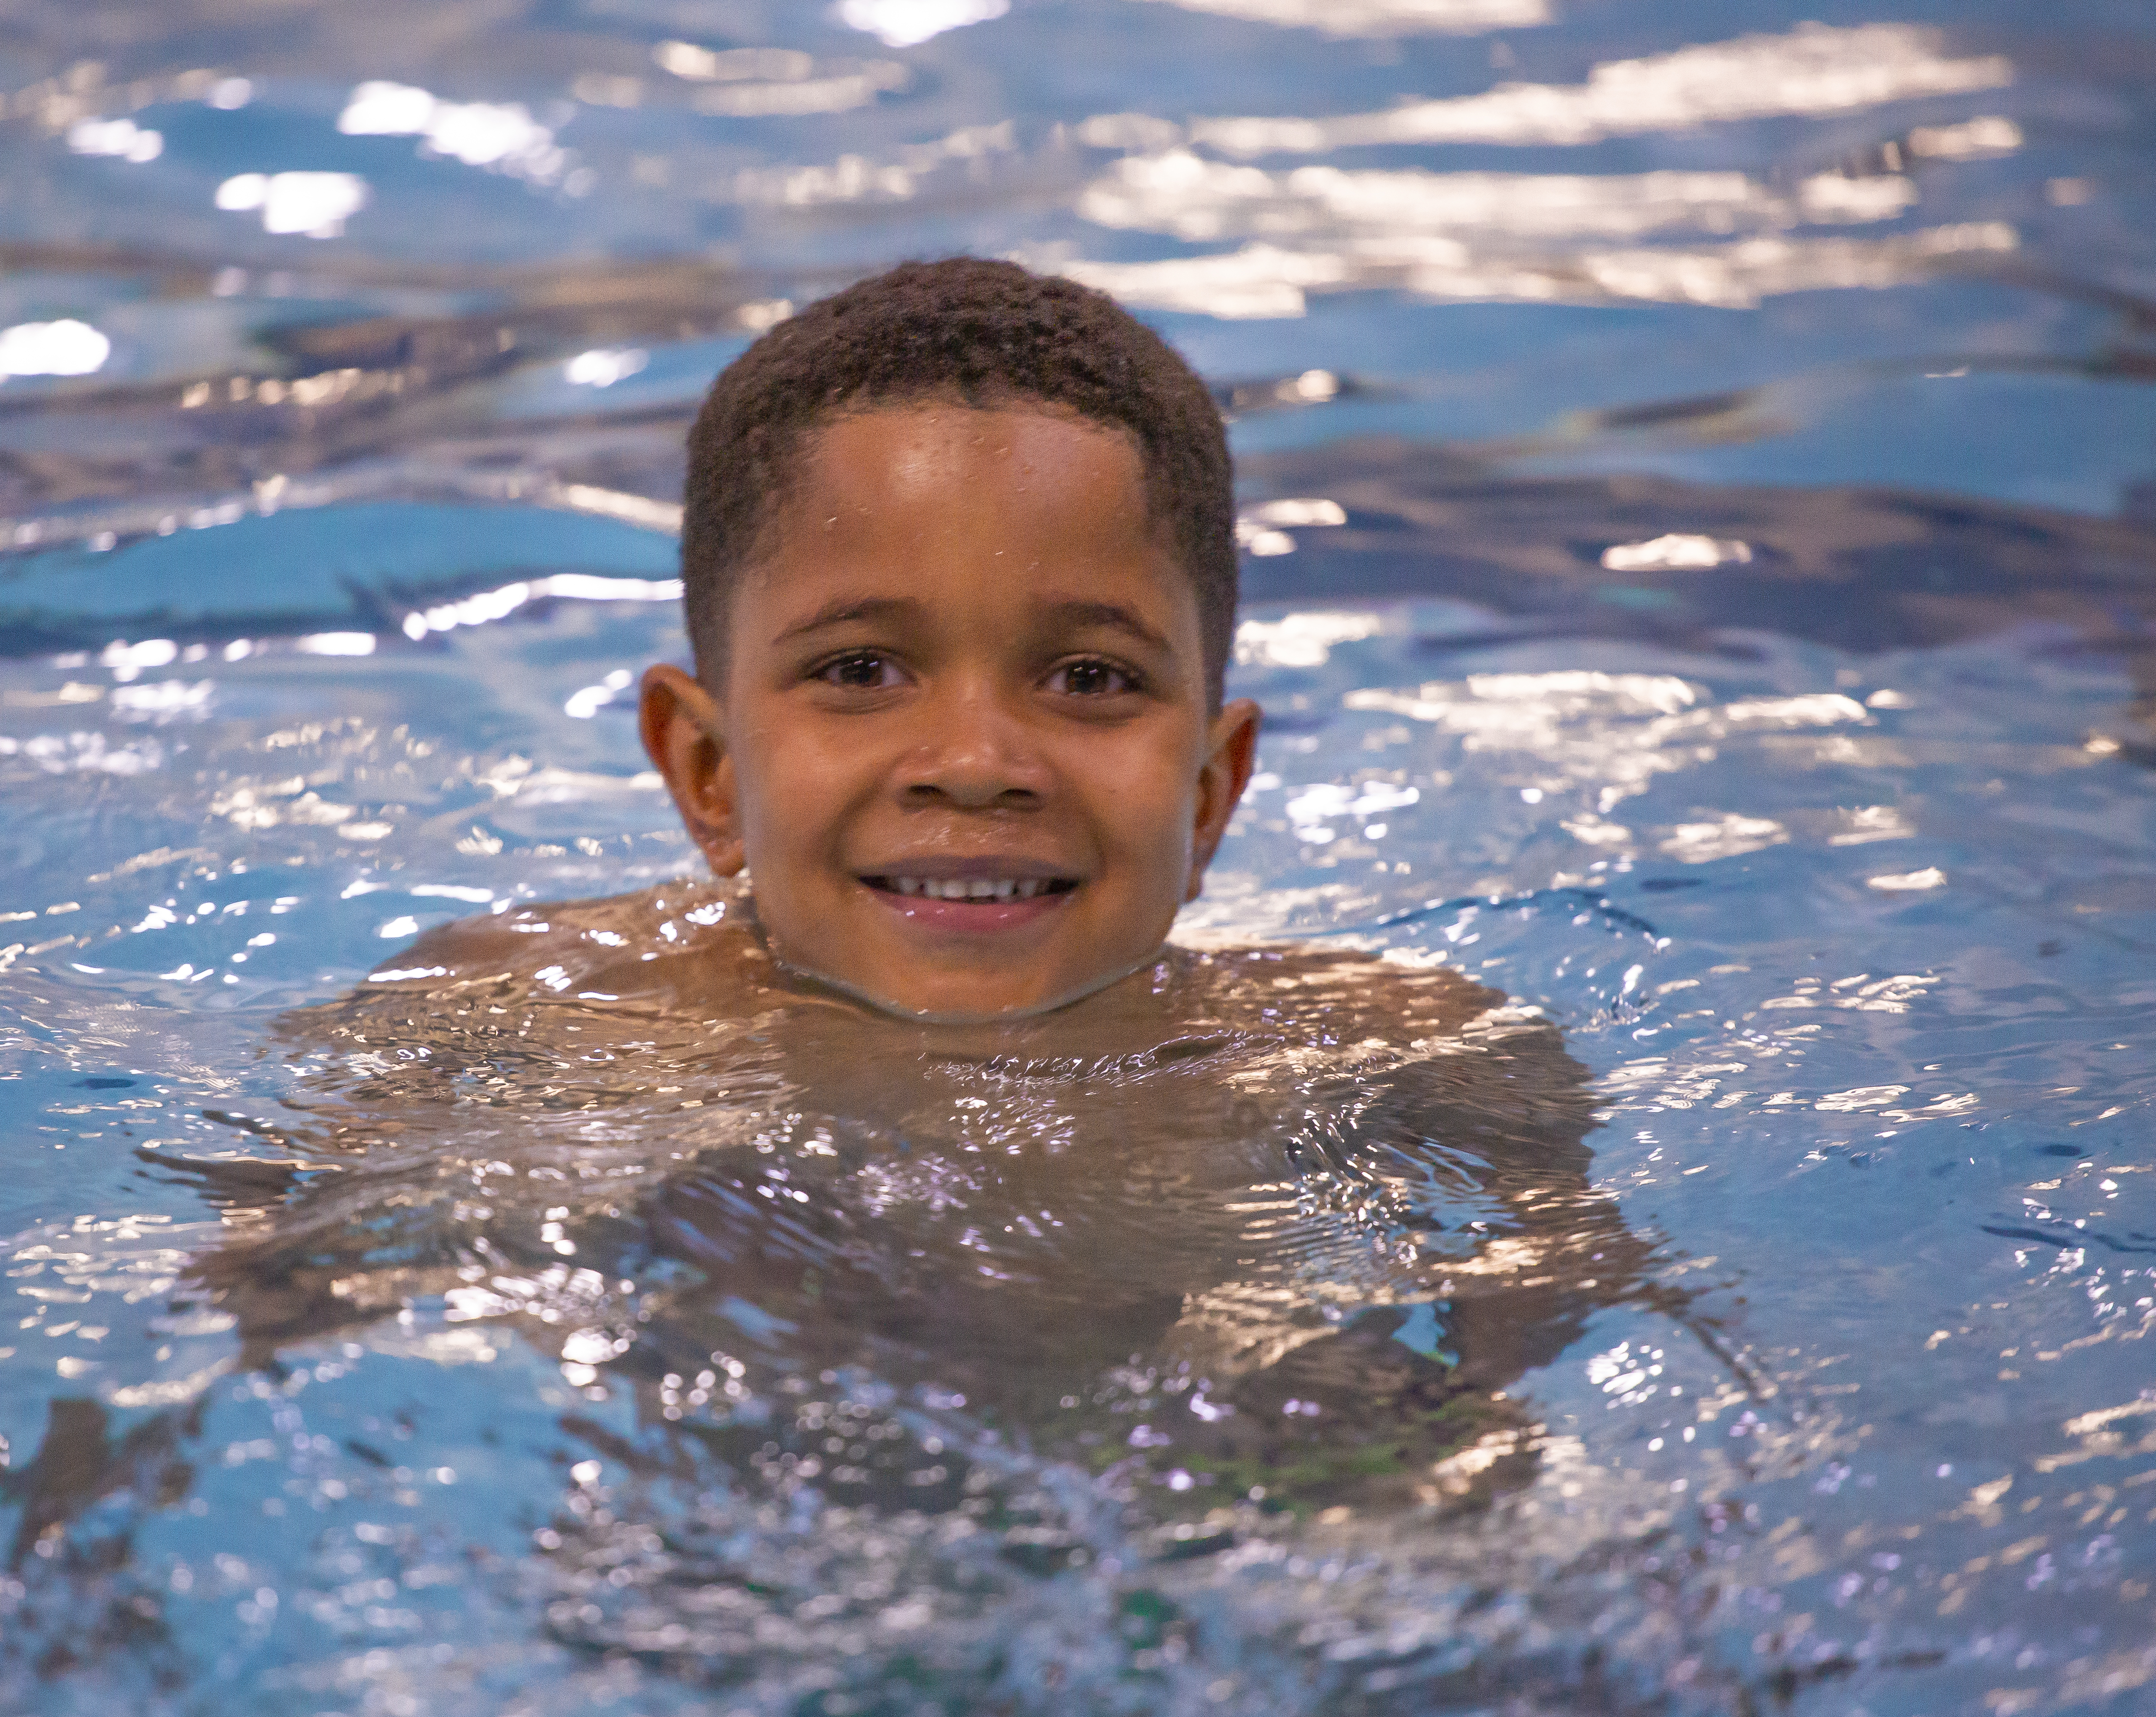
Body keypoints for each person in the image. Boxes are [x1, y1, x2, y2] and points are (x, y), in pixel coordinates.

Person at [159, 259, 1680, 1524]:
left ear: (1211, 790)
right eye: (861, 670)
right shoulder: (511, 1030)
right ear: (704, 770)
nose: (975, 760)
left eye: (1090, 677)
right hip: (694, 1526)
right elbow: (240, 1380)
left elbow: (1583, 1408)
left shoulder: (1400, 1060)